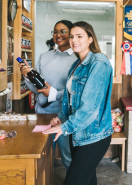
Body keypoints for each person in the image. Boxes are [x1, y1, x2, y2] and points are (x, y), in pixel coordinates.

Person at [43, 21, 113, 185]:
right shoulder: (76, 65)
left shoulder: (99, 62)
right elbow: (72, 101)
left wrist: (65, 127)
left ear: (90, 39)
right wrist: (62, 118)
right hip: (78, 133)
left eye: (80, 36)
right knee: (88, 181)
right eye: (72, 36)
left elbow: (89, 107)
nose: (74, 40)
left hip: (94, 135)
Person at [19, 20, 77, 171]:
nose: (58, 35)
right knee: (43, 157)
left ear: (70, 34)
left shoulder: (78, 59)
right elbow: (35, 88)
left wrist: (54, 93)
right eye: (55, 31)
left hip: (64, 117)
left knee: (68, 157)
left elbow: (76, 92)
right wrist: (26, 76)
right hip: (42, 114)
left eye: (63, 31)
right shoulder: (44, 56)